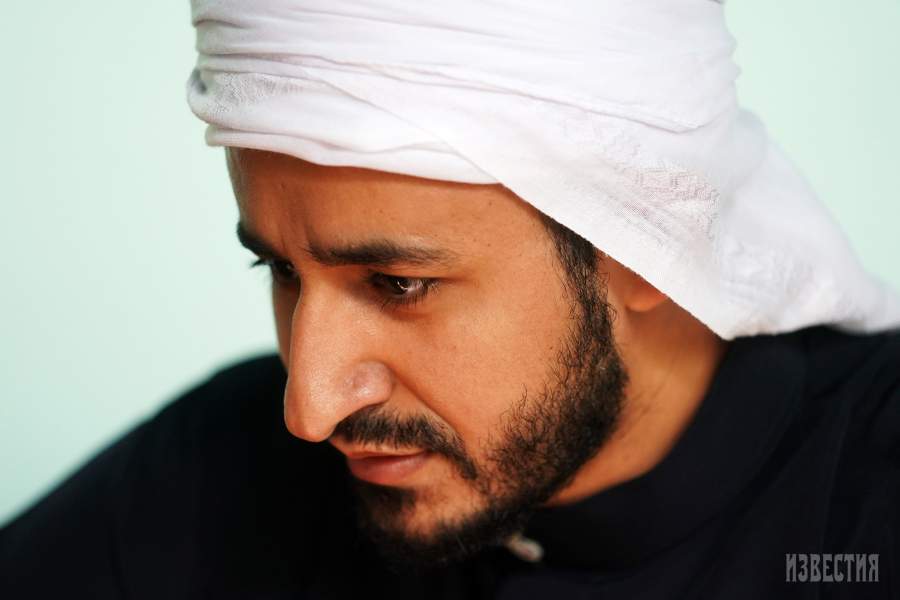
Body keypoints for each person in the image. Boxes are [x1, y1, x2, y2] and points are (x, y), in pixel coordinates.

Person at [2, 1, 899, 598]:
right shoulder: (214, 472)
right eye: (279, 270)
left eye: (400, 285)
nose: (311, 409)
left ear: (649, 243)